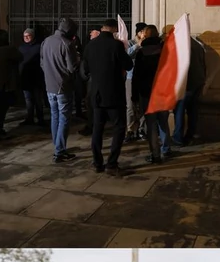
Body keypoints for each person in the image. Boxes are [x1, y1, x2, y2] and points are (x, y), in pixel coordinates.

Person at [81, 19, 134, 176]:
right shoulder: (116, 45)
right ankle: (111, 164)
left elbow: (86, 69)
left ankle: (97, 163)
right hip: (113, 94)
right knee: (119, 127)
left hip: (96, 94)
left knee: (98, 128)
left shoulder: (90, 45)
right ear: (114, 30)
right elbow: (129, 65)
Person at [40, 18, 80, 163]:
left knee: (55, 116)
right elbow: (72, 68)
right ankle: (60, 151)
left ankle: (57, 146)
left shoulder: (46, 41)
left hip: (49, 85)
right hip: (63, 86)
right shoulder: (67, 44)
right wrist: (78, 60)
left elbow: (42, 63)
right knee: (64, 118)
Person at [131, 25, 166, 164]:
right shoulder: (164, 50)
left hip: (146, 92)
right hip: (163, 91)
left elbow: (136, 76)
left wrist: (134, 96)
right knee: (164, 121)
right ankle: (167, 148)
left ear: (144, 36)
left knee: (151, 124)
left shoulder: (142, 52)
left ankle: (155, 154)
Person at [18, 28, 46, 126]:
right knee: (28, 99)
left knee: (38, 99)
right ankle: (30, 118)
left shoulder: (39, 47)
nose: (26, 38)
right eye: (24, 36)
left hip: (36, 77)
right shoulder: (21, 48)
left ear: (32, 36)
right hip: (25, 78)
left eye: (28, 36)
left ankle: (40, 118)